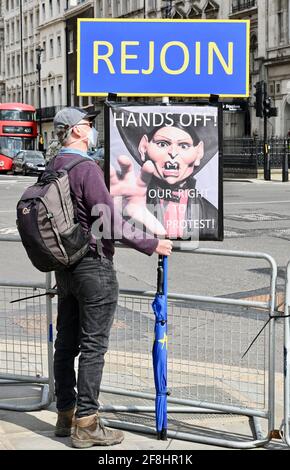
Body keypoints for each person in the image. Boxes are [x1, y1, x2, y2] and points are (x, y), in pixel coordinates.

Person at [51, 107, 172, 449]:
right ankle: (87, 424)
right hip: (93, 265)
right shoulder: (86, 168)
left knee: (66, 342)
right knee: (93, 346)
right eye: (88, 126)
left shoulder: (54, 166)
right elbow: (111, 222)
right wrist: (152, 243)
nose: (92, 131)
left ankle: (66, 415)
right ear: (75, 132)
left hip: (66, 267)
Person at [111, 109, 219, 240]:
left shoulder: (211, 214)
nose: (173, 153)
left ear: (198, 153)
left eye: (184, 146)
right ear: (144, 147)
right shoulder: (129, 204)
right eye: (162, 144)